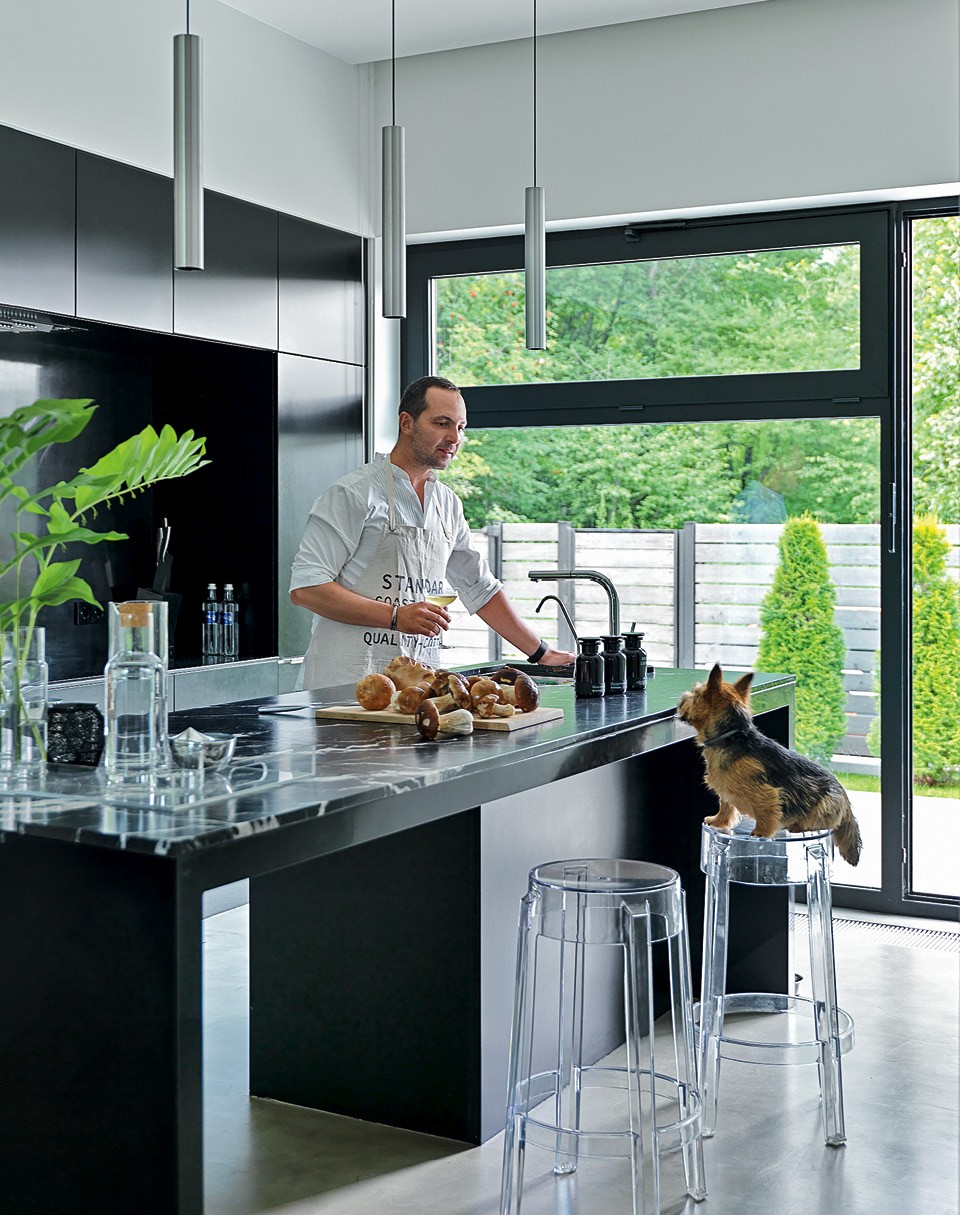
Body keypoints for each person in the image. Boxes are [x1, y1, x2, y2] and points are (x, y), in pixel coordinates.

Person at [290, 375, 575, 689]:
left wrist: (541, 653)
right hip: (343, 691)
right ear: (406, 423)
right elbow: (307, 588)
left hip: (417, 690)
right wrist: (396, 616)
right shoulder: (353, 494)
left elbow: (480, 588)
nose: (454, 438)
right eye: (442, 423)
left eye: (461, 427)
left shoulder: (447, 504)